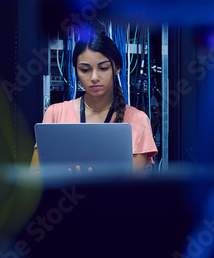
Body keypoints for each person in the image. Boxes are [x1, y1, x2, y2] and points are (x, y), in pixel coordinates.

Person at [31, 32, 157, 172]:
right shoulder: (55, 113)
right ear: (76, 72)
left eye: (103, 68)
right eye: (85, 70)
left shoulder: (137, 119)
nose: (94, 77)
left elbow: (132, 185)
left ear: (117, 68)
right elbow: (34, 177)